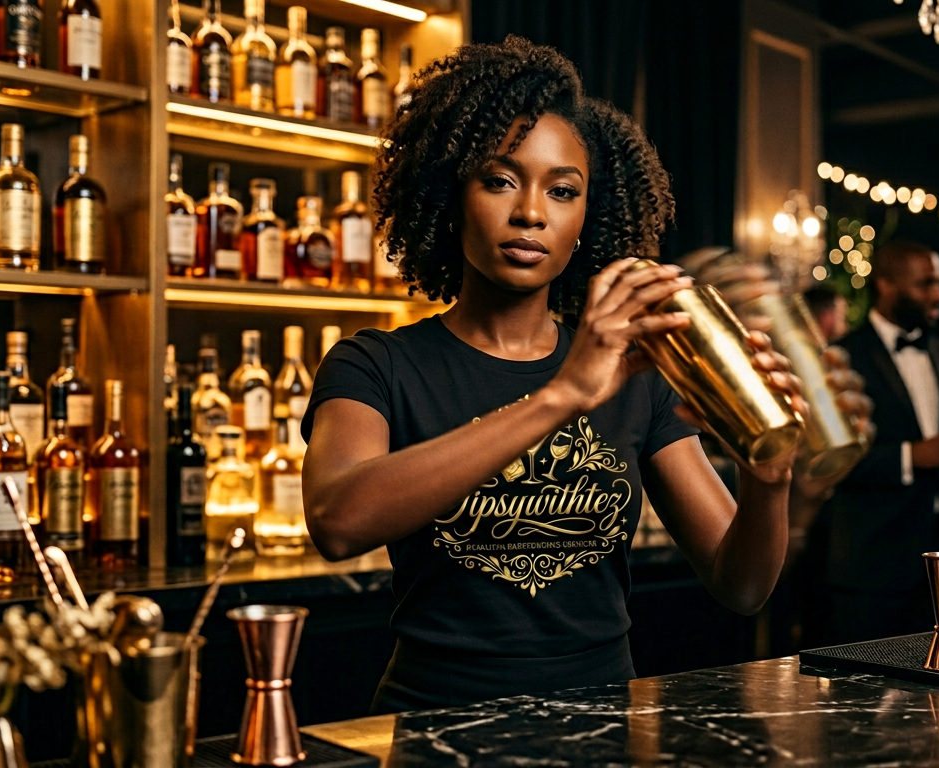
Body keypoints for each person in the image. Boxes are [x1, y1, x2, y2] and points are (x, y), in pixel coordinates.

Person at [299, 37, 871, 713]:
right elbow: (338, 520)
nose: (531, 213)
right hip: (436, 726)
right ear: (450, 195)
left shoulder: (640, 376)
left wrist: (766, 476)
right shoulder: (377, 365)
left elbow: (741, 586)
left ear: (586, 223)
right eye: (499, 179)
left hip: (598, 727)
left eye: (562, 191)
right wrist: (563, 393)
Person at [823, 240, 939, 644]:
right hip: (872, 563)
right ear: (886, 285)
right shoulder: (841, 357)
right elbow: (829, 461)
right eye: (926, 284)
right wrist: (912, 456)